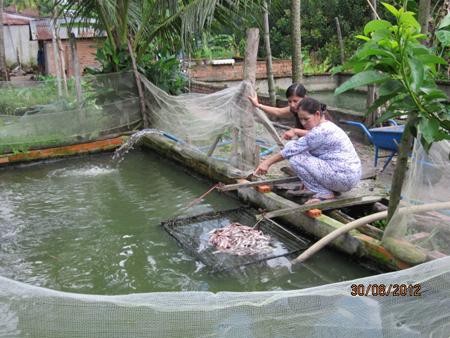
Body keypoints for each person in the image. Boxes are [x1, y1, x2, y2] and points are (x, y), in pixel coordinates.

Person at [253, 97, 361, 204]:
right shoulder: (326, 125)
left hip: (344, 178)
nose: (303, 123)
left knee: (295, 158)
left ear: (317, 114)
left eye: (306, 119)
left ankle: (323, 192)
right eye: (301, 119)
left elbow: (291, 152)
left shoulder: (320, 131)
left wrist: (267, 163)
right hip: (347, 175)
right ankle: (319, 186)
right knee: (292, 145)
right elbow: (296, 145)